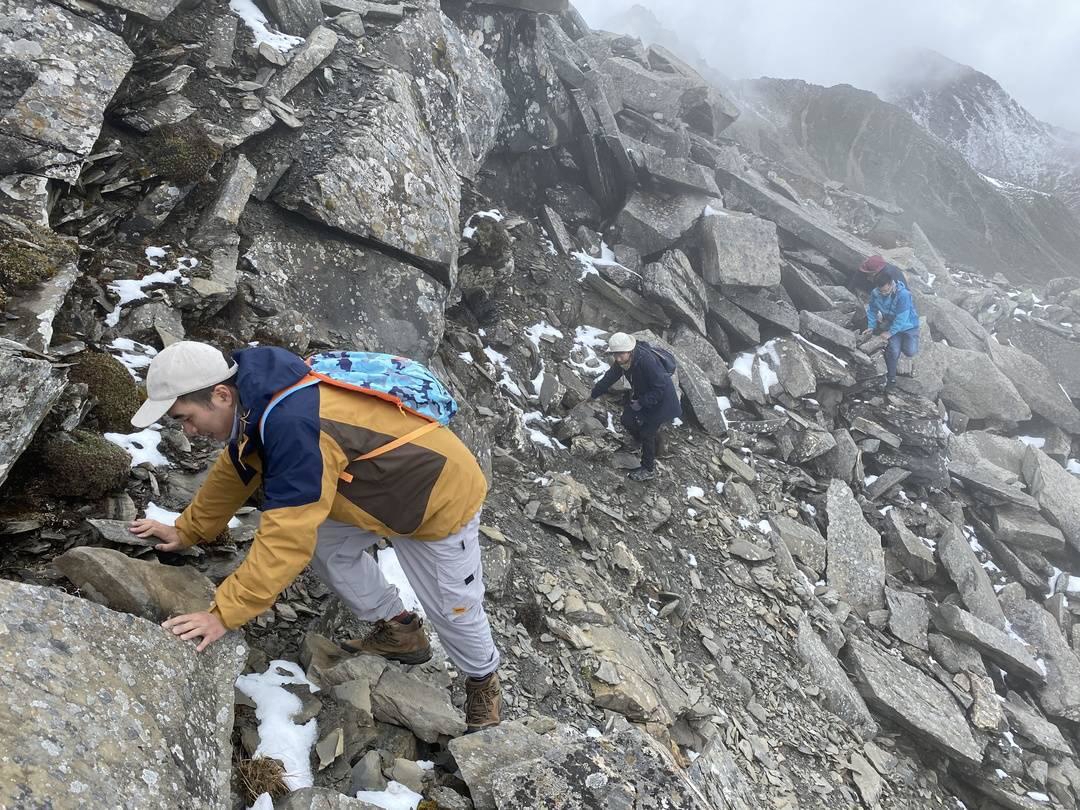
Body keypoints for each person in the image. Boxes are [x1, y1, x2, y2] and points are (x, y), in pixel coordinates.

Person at [127, 341, 501, 731]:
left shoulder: (291, 422)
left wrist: (224, 613)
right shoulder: (254, 401)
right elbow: (235, 470)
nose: (188, 431)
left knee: (455, 608)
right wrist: (188, 530)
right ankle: (400, 630)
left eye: (185, 418)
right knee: (325, 545)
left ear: (220, 394)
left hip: (437, 500)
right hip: (369, 493)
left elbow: (286, 536)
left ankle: (483, 680)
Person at [589, 332, 681, 482]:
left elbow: (660, 388)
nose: (618, 358)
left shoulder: (646, 361)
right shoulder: (624, 362)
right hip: (644, 396)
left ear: (629, 351)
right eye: (615, 354)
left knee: (647, 432)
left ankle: (648, 468)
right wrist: (594, 394)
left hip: (662, 402)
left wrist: (642, 402)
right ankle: (642, 442)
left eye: (621, 354)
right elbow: (610, 376)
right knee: (626, 420)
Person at [863, 274, 919, 388]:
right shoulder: (875, 293)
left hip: (909, 326)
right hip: (892, 324)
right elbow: (872, 310)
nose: (883, 293)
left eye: (885, 290)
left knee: (910, 351)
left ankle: (910, 339)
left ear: (890, 284)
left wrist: (889, 333)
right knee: (893, 351)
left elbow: (902, 318)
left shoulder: (903, 295)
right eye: (880, 290)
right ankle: (891, 378)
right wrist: (871, 327)